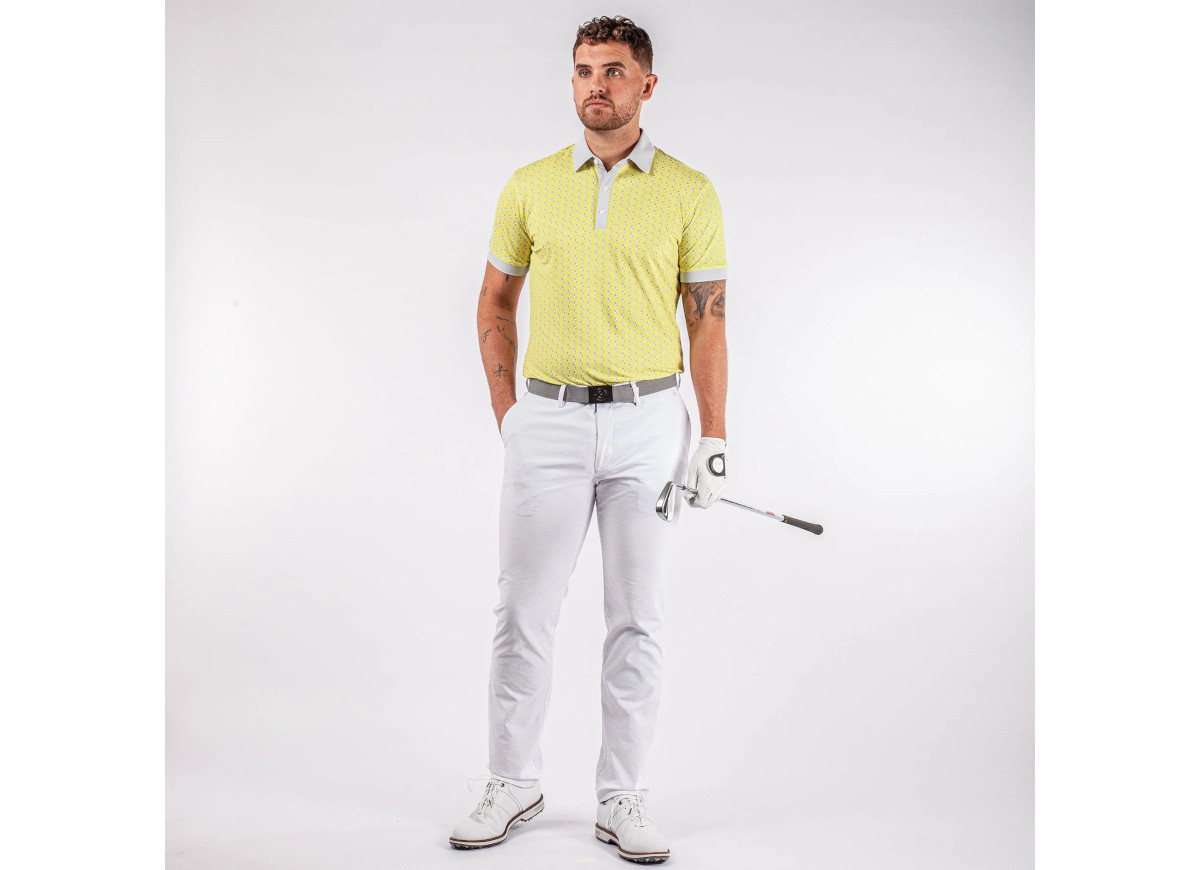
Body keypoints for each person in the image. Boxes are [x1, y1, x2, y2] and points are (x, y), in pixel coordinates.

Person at [450, 15, 728, 864]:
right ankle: (512, 781)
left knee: (637, 618)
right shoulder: (531, 185)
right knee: (522, 612)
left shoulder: (688, 191)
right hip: (549, 421)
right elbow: (494, 302)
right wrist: (509, 412)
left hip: (649, 424)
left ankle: (622, 797)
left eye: (612, 70)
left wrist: (713, 436)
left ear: (647, 84)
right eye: (582, 70)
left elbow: (707, 321)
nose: (595, 85)